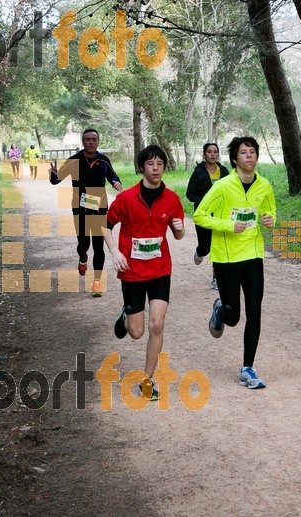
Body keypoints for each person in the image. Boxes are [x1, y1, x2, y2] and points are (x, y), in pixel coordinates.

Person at [194, 136, 276, 390]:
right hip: (226, 259)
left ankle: (247, 368)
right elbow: (199, 215)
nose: (249, 156)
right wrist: (229, 225)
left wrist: (270, 219)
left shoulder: (264, 185)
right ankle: (221, 310)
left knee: (255, 311)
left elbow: (271, 210)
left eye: (252, 152)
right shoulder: (222, 186)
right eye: (244, 152)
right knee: (233, 318)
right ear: (234, 159)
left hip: (253, 256)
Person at [105, 145, 185, 401]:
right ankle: (127, 317)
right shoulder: (127, 198)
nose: (155, 168)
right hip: (132, 271)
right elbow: (105, 226)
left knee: (157, 324)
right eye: (150, 164)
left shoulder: (171, 199)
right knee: (137, 332)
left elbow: (178, 234)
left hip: (160, 268)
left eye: (160, 164)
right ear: (142, 168)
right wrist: (115, 252)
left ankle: (147, 379)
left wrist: (180, 228)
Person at [49, 129, 123, 296]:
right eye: (88, 139)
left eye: (94, 139)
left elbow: (113, 176)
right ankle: (82, 257)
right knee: (84, 244)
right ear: (83, 142)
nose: (91, 142)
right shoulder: (74, 160)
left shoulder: (103, 160)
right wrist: (53, 175)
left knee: (98, 245)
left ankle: (97, 282)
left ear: (98, 141)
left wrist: (116, 183)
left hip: (99, 208)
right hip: (80, 208)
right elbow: (57, 179)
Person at [186, 142, 229, 290]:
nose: (212, 154)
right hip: (203, 215)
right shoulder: (198, 173)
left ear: (218, 154)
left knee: (219, 247)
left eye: (215, 152)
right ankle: (200, 251)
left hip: (220, 216)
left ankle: (216, 278)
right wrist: (203, 199)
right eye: (209, 152)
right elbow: (189, 194)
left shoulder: (224, 172)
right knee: (206, 247)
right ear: (204, 155)